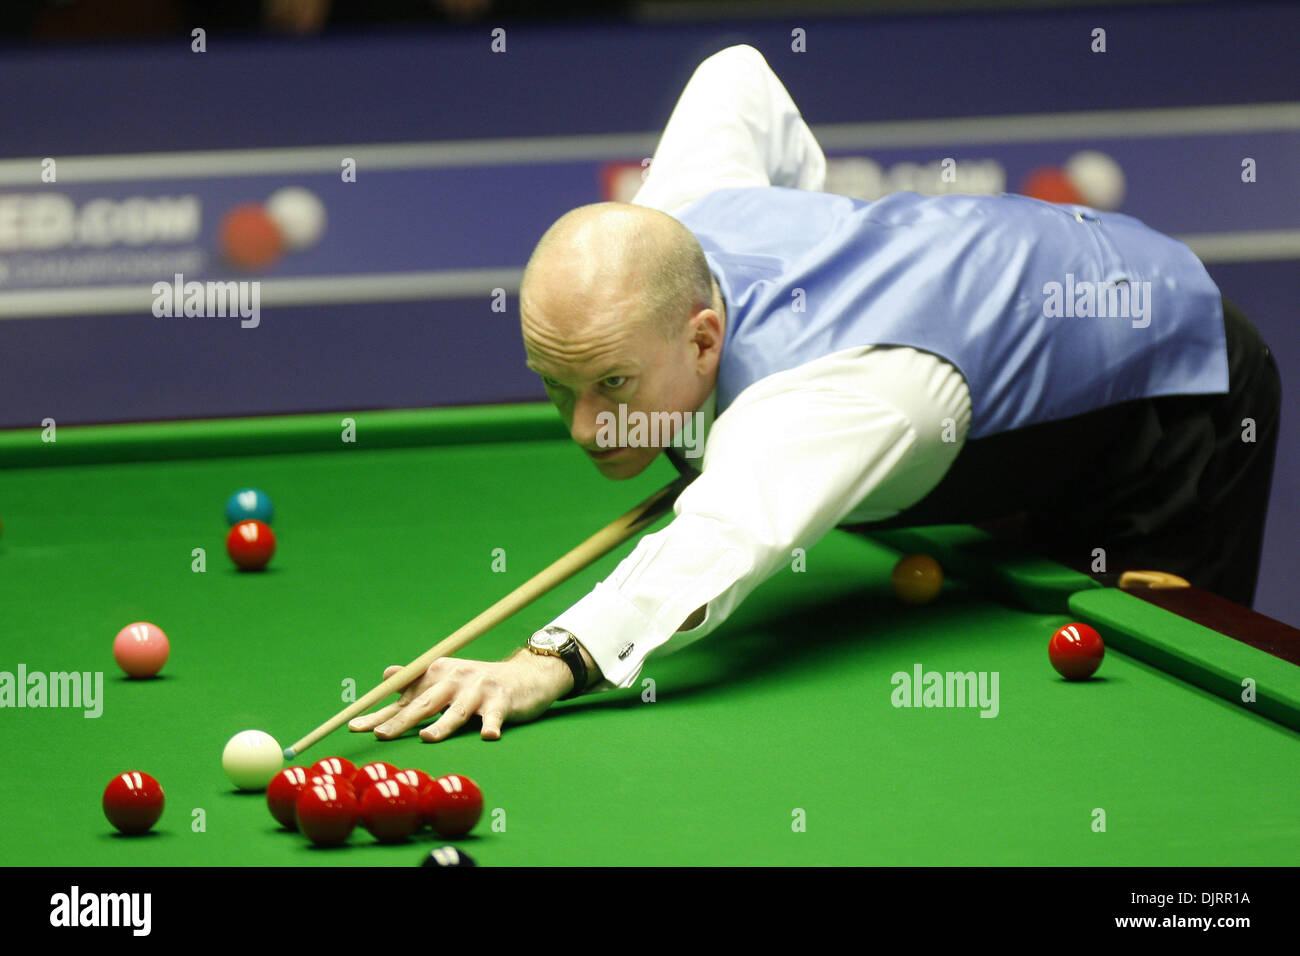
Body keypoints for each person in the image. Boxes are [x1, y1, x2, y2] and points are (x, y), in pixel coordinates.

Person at [350, 44, 1280, 744]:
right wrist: (825, 225)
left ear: (705, 337)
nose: (588, 429)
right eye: (557, 388)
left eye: (615, 387)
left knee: (1144, 721)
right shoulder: (678, 214)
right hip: (1001, 370)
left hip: (1169, 388)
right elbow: (737, 76)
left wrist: (541, 663)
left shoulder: (827, 399)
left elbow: (724, 537)